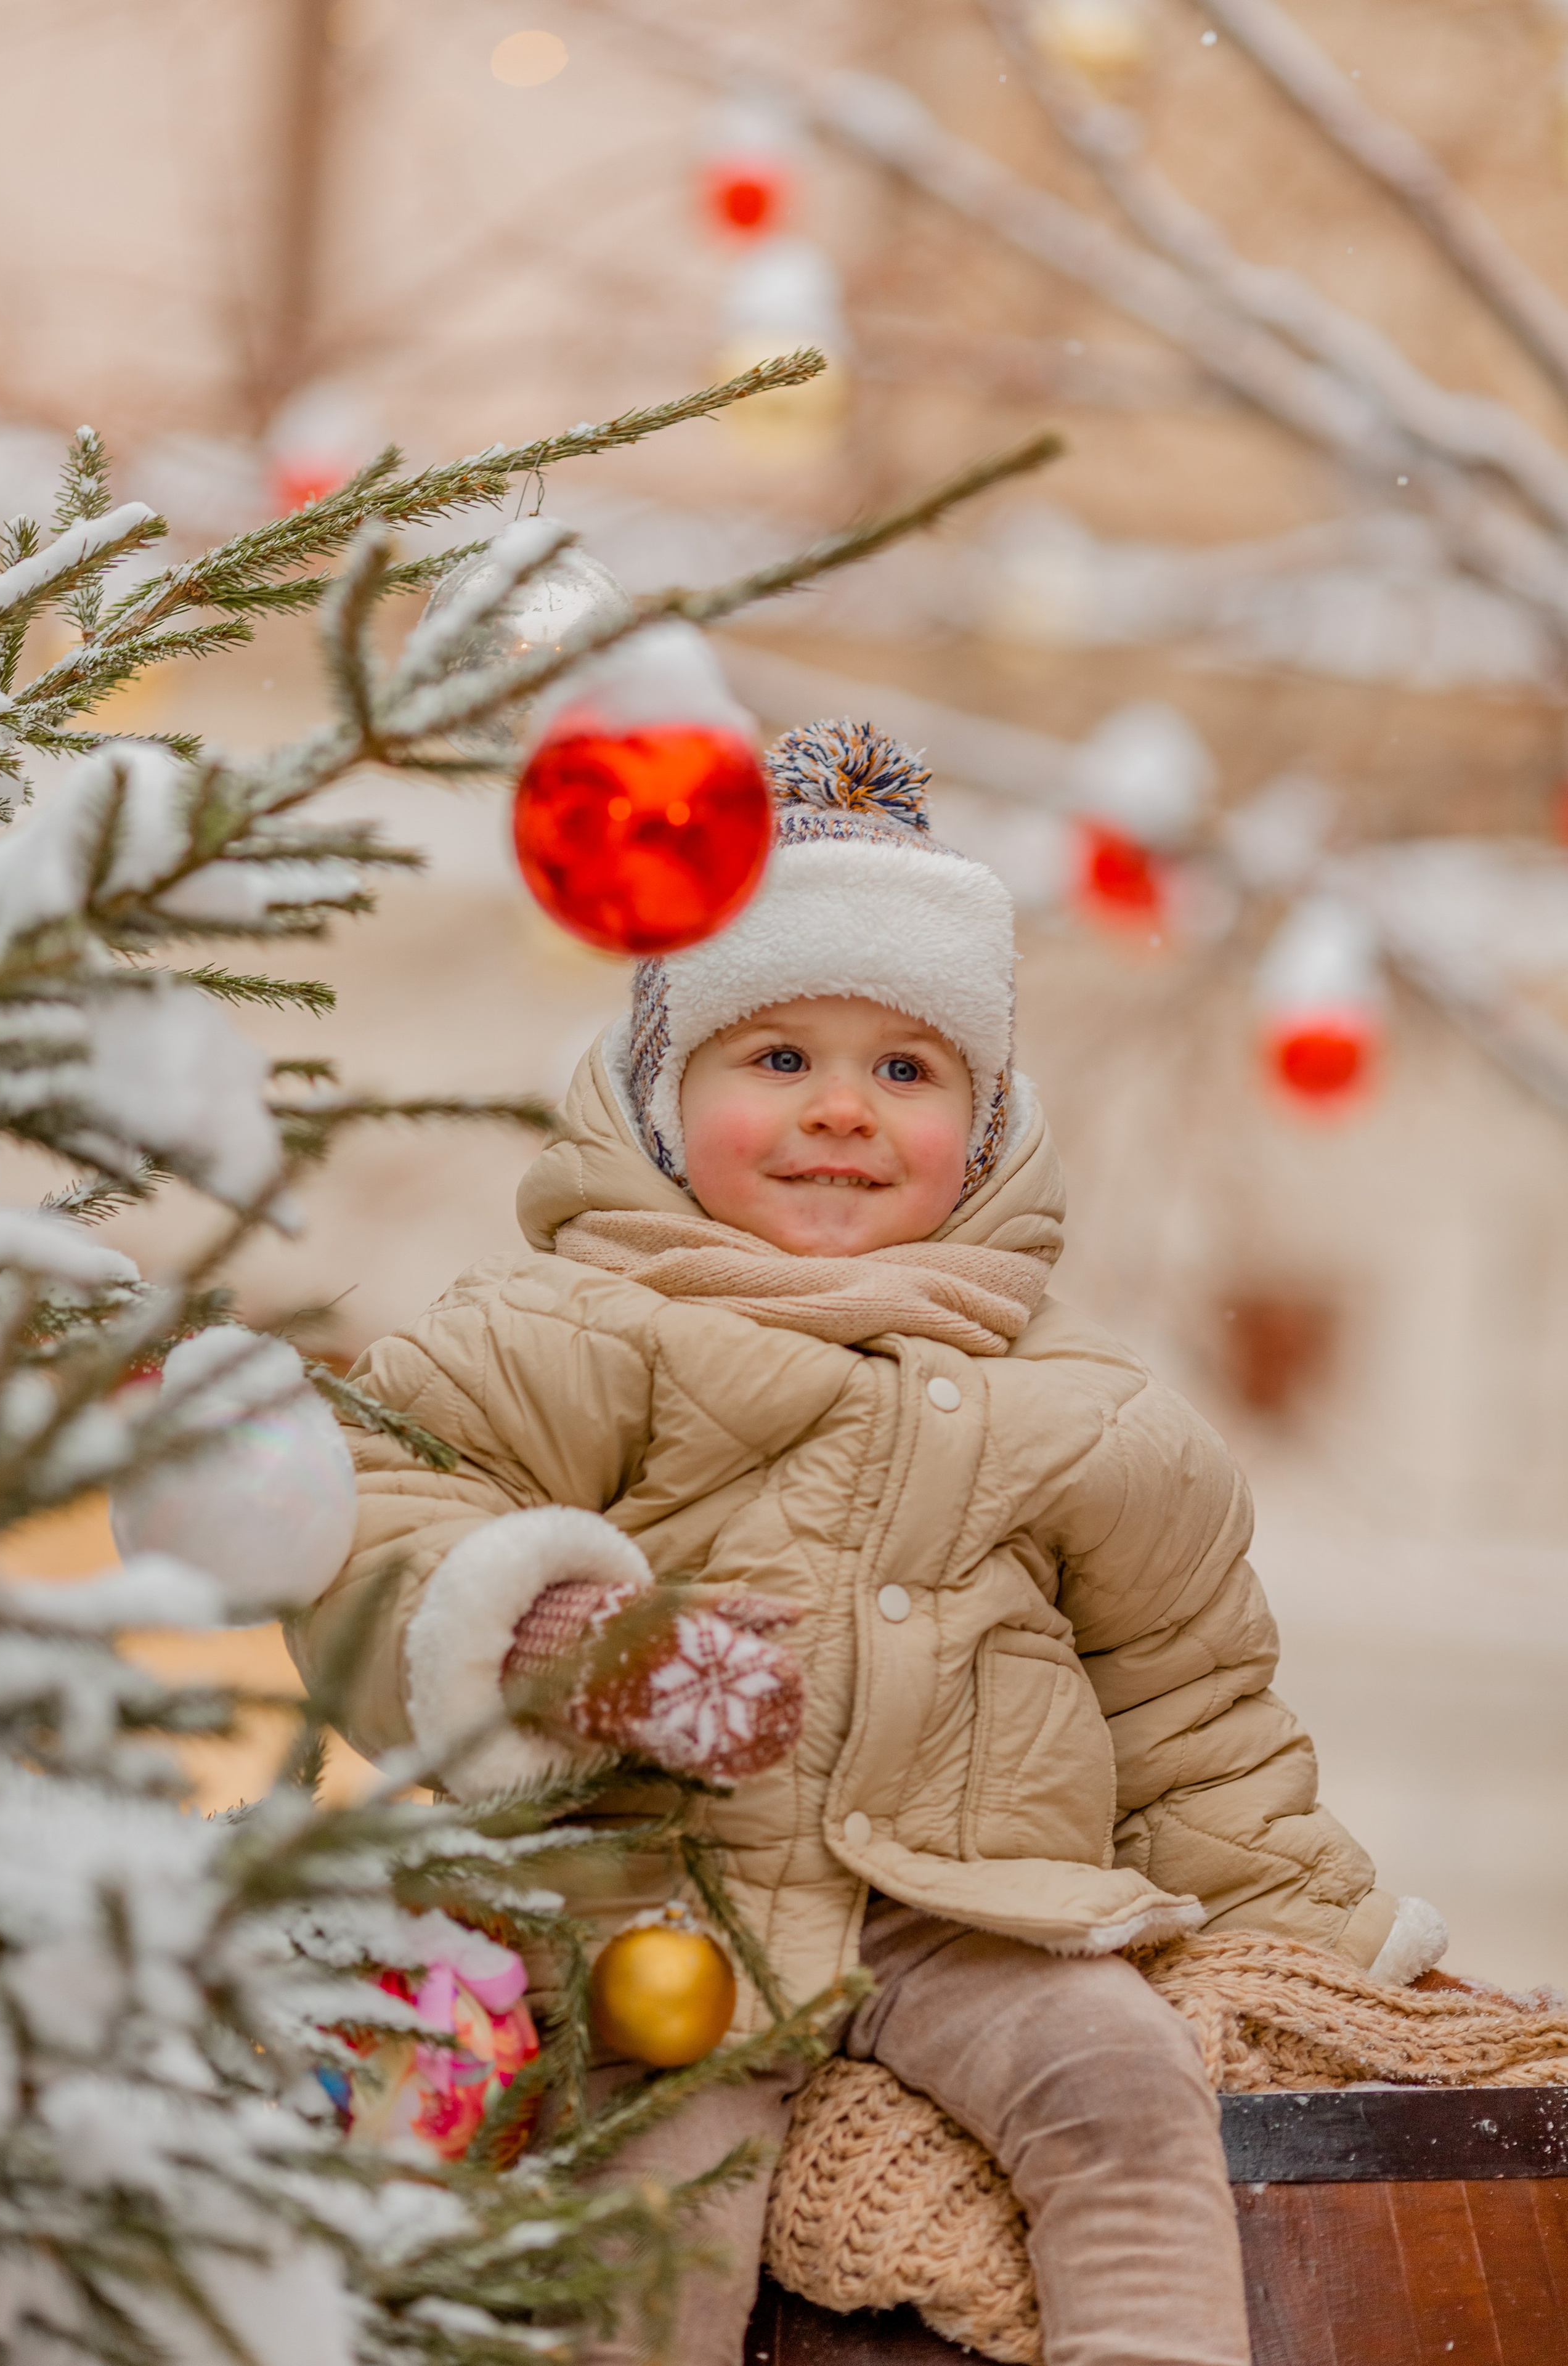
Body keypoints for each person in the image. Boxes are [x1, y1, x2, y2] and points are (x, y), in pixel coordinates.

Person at [291, 719, 1447, 2366]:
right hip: (662, 1910)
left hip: (976, 1906)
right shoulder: (575, 1323)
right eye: (778, 1060)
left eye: (905, 1070)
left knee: (1126, 2096)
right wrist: (572, 1644)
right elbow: (379, 1509)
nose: (844, 1109)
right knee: (659, 2205)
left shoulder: (1080, 1411)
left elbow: (1193, 1715)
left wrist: (1335, 1950)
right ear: (658, 1095)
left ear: (980, 1131)